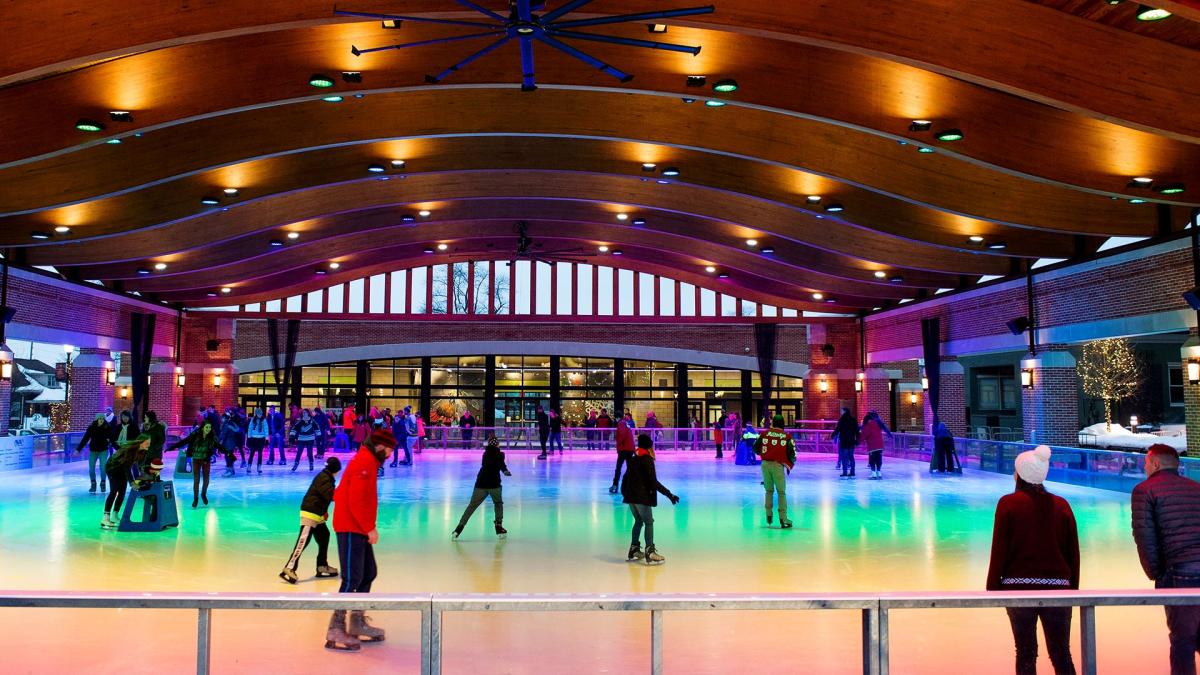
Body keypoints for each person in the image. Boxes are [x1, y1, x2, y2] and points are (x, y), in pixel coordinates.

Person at [986, 445, 1079, 675]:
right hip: (1058, 590)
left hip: (1019, 590)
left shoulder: (1008, 504)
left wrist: (993, 587)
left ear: (1020, 474)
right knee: (1061, 653)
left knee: (1025, 652)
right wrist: (1073, 589)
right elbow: (1072, 553)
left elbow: (999, 548)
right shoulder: (1061, 505)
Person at [1131, 443, 1200, 675]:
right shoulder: (1196, 487)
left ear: (1156, 464)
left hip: (1179, 573)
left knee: (1183, 640)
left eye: (1146, 463)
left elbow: (1145, 537)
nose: (1144, 467)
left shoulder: (1145, 490)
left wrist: (1157, 574)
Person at [325, 428, 396, 652]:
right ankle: (335, 627)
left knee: (367, 573)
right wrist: (369, 528)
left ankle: (356, 622)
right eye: (390, 449)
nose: (391, 454)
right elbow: (357, 500)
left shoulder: (369, 462)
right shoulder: (364, 463)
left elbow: (341, 493)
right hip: (350, 527)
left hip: (357, 527)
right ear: (380, 447)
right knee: (351, 578)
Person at [280, 456, 342, 584]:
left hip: (317, 512)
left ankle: (322, 566)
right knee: (303, 541)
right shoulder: (325, 478)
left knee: (324, 535)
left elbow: (321, 496)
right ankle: (289, 568)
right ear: (335, 469)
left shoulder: (326, 477)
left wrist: (323, 512)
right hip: (310, 512)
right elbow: (330, 495)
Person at [621, 434, 680, 565]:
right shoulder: (647, 460)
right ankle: (650, 551)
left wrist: (626, 494)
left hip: (631, 497)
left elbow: (625, 479)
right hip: (641, 498)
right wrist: (669, 495)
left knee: (638, 521)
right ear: (649, 447)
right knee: (648, 522)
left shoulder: (633, 458)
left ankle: (634, 548)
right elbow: (653, 482)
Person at [452, 436, 512, 539]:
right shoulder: (500, 454)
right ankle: (498, 525)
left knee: (472, 506)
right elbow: (501, 464)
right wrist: (505, 470)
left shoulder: (485, 454)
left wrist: (503, 469)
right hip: (494, 484)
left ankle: (459, 528)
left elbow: (490, 464)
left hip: (481, 483)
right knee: (498, 504)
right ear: (497, 445)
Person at [101, 434, 152, 529]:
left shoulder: (143, 451)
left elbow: (136, 466)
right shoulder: (130, 450)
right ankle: (105, 517)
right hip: (113, 468)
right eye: (147, 442)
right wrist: (132, 482)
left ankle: (114, 515)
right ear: (141, 442)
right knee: (114, 491)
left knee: (122, 492)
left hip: (122, 469)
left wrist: (140, 479)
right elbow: (127, 467)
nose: (149, 444)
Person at [754, 415, 796, 528]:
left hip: (764, 465)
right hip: (778, 465)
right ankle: (783, 518)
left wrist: (764, 454)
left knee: (768, 490)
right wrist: (788, 464)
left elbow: (755, 447)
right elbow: (792, 454)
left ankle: (768, 516)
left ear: (773, 423)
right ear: (783, 423)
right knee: (781, 492)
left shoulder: (764, 434)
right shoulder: (786, 437)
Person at [170, 420, 224, 508]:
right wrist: (172, 447)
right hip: (196, 459)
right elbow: (184, 441)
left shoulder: (212, 437)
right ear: (202, 428)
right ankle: (195, 498)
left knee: (206, 478)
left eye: (210, 427)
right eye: (207, 427)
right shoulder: (195, 435)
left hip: (206, 460)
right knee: (196, 479)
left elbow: (218, 446)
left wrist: (229, 453)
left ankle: (203, 494)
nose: (208, 429)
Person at [75, 414, 112, 494]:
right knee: (91, 469)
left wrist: (111, 442)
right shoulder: (91, 428)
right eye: (99, 419)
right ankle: (93, 484)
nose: (101, 420)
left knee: (103, 468)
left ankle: (103, 483)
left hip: (103, 450)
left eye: (102, 418)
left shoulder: (107, 427)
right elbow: (85, 439)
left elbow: (112, 437)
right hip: (93, 451)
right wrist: (78, 449)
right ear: (96, 419)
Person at [609, 412, 636, 494]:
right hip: (630, 449)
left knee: (618, 468)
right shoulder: (626, 423)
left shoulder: (621, 423)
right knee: (630, 468)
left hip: (624, 449)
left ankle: (615, 485)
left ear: (617, 417)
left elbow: (622, 435)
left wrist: (619, 444)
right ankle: (631, 486)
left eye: (615, 418)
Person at [860, 411, 892, 480]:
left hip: (872, 446)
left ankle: (873, 473)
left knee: (872, 459)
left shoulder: (869, 425)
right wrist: (890, 435)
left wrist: (857, 442)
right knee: (878, 459)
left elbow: (863, 435)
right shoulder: (879, 423)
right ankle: (879, 472)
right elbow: (886, 429)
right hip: (880, 445)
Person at [831, 408, 859, 478]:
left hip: (844, 441)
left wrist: (833, 435)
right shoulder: (853, 420)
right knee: (851, 457)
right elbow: (857, 431)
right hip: (851, 441)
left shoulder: (842, 420)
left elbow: (838, 429)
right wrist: (857, 440)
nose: (841, 412)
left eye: (842, 411)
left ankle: (845, 473)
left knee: (844, 457)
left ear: (845, 411)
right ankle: (852, 472)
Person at [218, 408, 243, 477]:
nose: (221, 419)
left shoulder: (226, 425)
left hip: (229, 443)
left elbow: (223, 435)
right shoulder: (229, 424)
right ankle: (231, 470)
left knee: (227, 457)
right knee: (229, 456)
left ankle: (229, 470)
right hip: (230, 443)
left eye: (222, 418)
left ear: (225, 418)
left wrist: (218, 441)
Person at [245, 408, 269, 473]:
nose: (260, 415)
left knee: (260, 453)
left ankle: (259, 467)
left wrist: (266, 439)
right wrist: (249, 438)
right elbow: (250, 428)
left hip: (261, 438)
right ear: (256, 414)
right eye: (258, 414)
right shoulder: (253, 420)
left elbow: (266, 429)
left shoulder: (264, 420)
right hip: (254, 438)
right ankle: (249, 466)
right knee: (252, 453)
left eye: (261, 414)